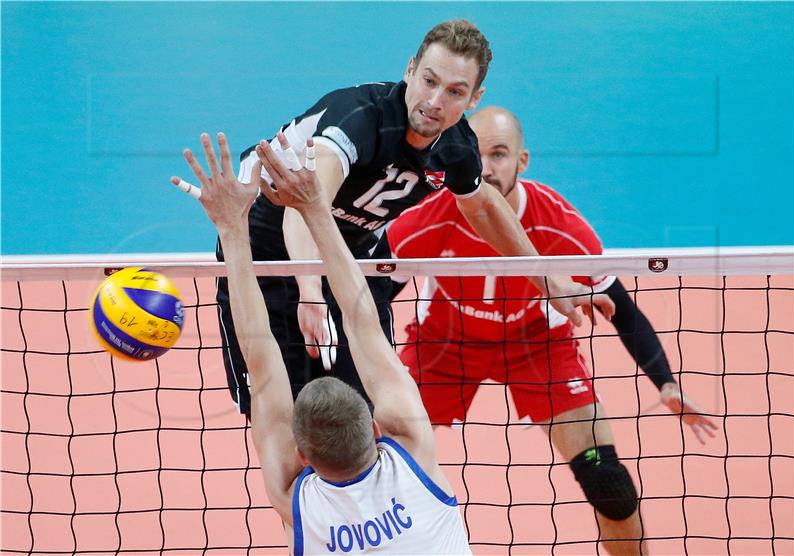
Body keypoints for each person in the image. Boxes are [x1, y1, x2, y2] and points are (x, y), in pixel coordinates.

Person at [208, 19, 613, 417]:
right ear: (409, 71)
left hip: (347, 262)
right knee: (280, 415)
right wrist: (310, 291)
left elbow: (483, 205)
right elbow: (306, 206)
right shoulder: (361, 120)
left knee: (372, 411)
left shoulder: (456, 146)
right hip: (265, 254)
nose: (436, 101)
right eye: (429, 81)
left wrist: (548, 281)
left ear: (474, 98)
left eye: (455, 91)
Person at [385, 106, 718, 555]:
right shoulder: (428, 216)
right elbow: (370, 294)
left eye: (499, 154)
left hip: (536, 345)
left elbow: (623, 311)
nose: (486, 167)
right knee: (368, 457)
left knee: (608, 480)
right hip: (444, 345)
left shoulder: (558, 225)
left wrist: (666, 382)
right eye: (475, 154)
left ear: (522, 160)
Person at [173, 131, 472, 554]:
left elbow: (261, 367)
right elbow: (363, 320)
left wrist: (233, 230)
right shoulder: (414, 459)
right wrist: (314, 208)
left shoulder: (298, 506)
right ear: (373, 428)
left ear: (303, 457)